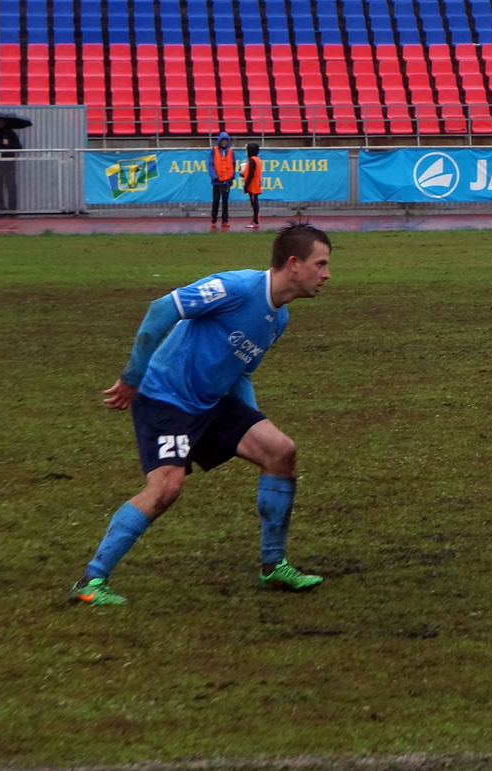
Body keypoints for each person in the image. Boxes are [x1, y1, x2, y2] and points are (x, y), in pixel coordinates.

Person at [70, 222, 333, 606]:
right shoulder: (237, 287)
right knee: (166, 488)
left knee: (279, 451)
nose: (327, 275)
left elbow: (239, 373)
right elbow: (162, 309)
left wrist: (253, 423)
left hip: (211, 403)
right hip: (166, 398)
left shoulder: (279, 319)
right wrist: (133, 377)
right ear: (294, 264)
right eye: (321, 264)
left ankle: (273, 568)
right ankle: (90, 583)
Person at [207, 132, 236, 228]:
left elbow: (233, 164)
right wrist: (214, 176)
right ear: (219, 141)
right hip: (216, 181)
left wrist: (232, 177)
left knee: (225, 202)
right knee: (215, 201)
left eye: (226, 141)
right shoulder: (214, 151)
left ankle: (225, 220)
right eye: (223, 140)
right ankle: (213, 220)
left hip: (226, 181)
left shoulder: (231, 152)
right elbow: (210, 164)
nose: (224, 142)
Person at [241, 142, 264, 229]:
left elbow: (251, 173)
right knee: (254, 203)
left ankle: (256, 221)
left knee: (254, 204)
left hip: (253, 186)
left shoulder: (252, 160)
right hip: (255, 185)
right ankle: (255, 220)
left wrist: (246, 185)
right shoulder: (256, 159)